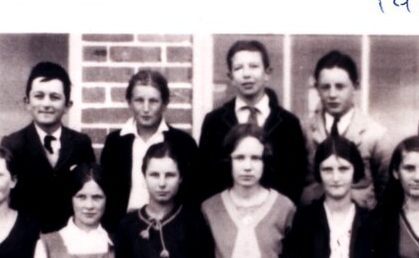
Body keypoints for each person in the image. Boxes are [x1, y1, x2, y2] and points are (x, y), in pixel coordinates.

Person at [113, 142, 214, 258]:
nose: (161, 183)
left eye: (169, 175)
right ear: (143, 177)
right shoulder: (128, 225)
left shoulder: (193, 222)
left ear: (181, 177)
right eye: (154, 175)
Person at [201, 125, 295, 258]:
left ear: (265, 161)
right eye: (239, 158)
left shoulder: (284, 207)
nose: (247, 166)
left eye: (255, 158)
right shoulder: (210, 208)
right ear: (229, 160)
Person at [197, 39, 306, 203]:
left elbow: (296, 179)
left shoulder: (288, 123)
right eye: (238, 68)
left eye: (254, 66)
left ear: (267, 73)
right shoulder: (215, 121)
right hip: (226, 217)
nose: (246, 74)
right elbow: (206, 178)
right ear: (231, 77)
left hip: (274, 218)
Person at [1, 61, 96, 233]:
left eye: (55, 97)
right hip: (26, 237)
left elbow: (88, 190)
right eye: (39, 96)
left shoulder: (81, 143)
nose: (46, 104)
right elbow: (8, 198)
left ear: (68, 105)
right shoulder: (13, 144)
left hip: (70, 237)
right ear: (27, 102)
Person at [100, 69, 199, 227]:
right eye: (139, 100)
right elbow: (107, 192)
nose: (146, 108)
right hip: (123, 229)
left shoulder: (182, 143)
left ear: (164, 104)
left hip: (169, 228)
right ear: (129, 102)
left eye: (153, 101)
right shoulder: (115, 143)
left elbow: (191, 195)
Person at [300, 50, 390, 209]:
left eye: (340, 86)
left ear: (355, 86)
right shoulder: (304, 130)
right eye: (325, 87)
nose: (332, 94)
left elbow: (385, 190)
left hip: (360, 225)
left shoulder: (375, 135)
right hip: (313, 224)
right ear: (317, 88)